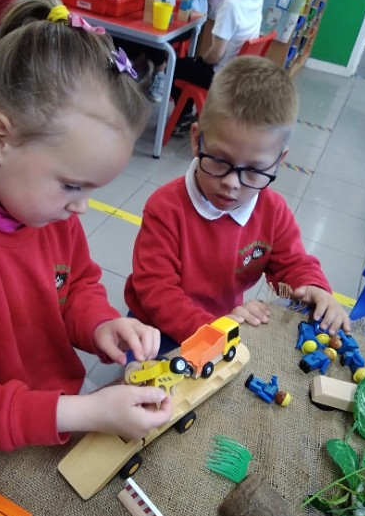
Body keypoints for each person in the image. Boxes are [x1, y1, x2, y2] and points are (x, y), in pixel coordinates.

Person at [0, 0, 172, 470]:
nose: (82, 207)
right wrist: (85, 412)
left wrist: (101, 324)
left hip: (54, 411)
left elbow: (75, 285)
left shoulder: (47, 211)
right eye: (73, 185)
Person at [125, 56, 351, 354]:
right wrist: (214, 330)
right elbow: (156, 291)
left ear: (278, 162)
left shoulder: (273, 211)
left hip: (224, 323)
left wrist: (314, 288)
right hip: (157, 328)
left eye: (254, 170)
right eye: (219, 161)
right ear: (196, 140)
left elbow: (293, 263)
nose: (232, 182)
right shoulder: (165, 208)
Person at [167, 0, 266, 134]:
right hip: (239, 72)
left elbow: (215, 55)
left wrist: (200, 60)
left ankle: (184, 115)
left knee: (173, 66)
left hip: (220, 75)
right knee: (189, 64)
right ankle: (188, 112)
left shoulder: (231, 6)